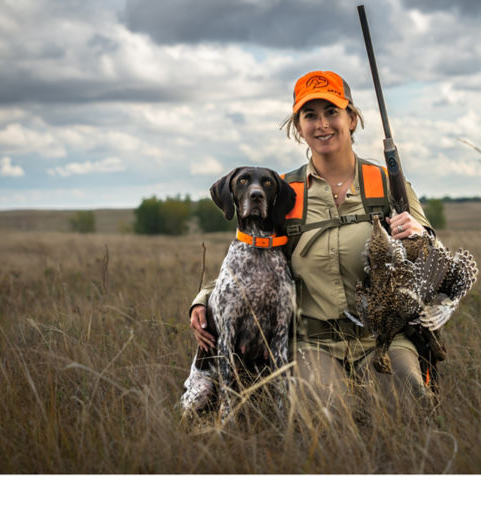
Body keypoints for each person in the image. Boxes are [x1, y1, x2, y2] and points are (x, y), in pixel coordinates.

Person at [182, 70, 434, 418]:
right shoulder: (282, 193)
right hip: (314, 341)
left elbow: (434, 257)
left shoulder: (387, 184)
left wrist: (419, 237)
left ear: (352, 118)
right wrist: (203, 300)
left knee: (410, 409)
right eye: (309, 115)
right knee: (325, 420)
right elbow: (249, 257)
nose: (322, 124)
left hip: (382, 338)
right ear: (298, 126)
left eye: (331, 111)